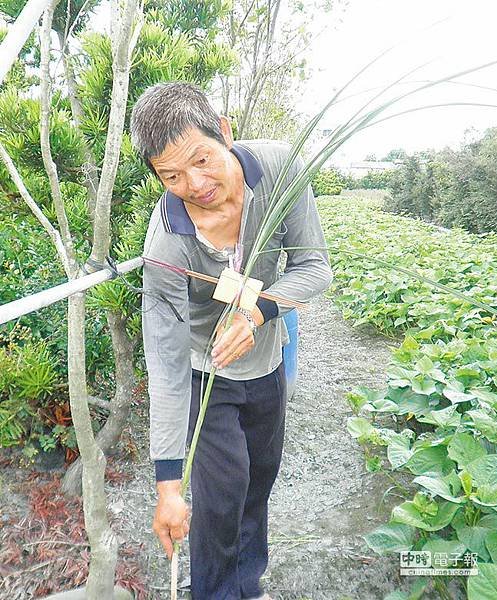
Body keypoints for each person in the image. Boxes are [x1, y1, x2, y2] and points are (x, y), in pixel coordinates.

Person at [131, 81, 332, 600]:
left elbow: (315, 268)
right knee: (220, 498)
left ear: (224, 132)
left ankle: (249, 585)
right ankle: (216, 592)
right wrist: (168, 486)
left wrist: (261, 310)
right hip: (208, 372)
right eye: (171, 176)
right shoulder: (169, 243)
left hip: (266, 364)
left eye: (201, 160)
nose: (194, 184)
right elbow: (167, 364)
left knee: (257, 483)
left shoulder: (280, 169)